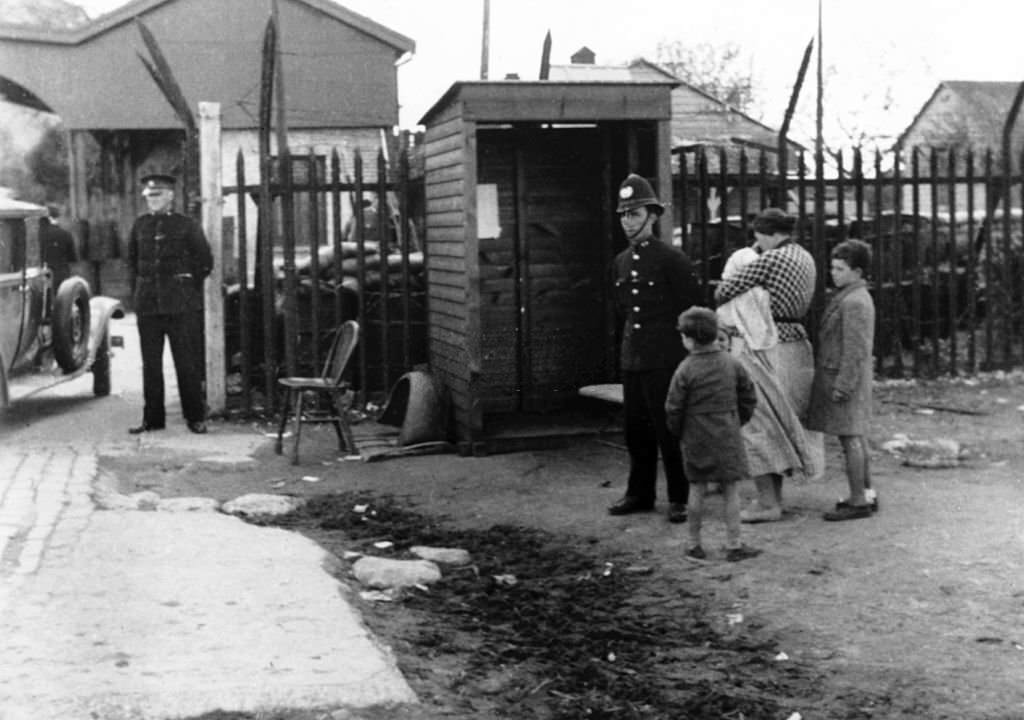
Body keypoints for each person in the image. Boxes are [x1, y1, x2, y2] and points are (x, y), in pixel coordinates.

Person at [714, 208, 818, 523]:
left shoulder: (772, 259)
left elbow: (724, 290)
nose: (756, 243)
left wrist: (749, 297)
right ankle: (774, 498)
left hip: (767, 347)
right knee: (782, 421)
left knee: (758, 421)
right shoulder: (805, 257)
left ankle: (768, 503)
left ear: (769, 233)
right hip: (797, 343)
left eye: (758, 236)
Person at [608, 173, 700, 524]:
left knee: (669, 427)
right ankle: (640, 492)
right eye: (624, 214)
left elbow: (691, 308)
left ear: (653, 216)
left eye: (634, 214)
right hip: (634, 356)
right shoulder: (620, 262)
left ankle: (679, 496)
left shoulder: (672, 260)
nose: (628, 221)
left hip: (666, 357)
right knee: (636, 428)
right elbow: (622, 310)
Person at [665, 307, 760, 562]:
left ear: (689, 340)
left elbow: (673, 407)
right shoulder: (732, 363)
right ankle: (734, 545)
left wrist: (680, 431)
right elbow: (749, 396)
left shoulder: (685, 369)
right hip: (727, 432)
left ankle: (694, 545)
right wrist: (736, 420)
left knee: (696, 488)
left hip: (696, 435)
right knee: (731, 490)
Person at [127, 173, 213, 435]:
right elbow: (132, 262)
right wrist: (139, 293)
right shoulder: (140, 225)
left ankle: (195, 417)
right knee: (150, 365)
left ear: (170, 196)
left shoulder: (186, 225)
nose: (152, 200)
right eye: (149, 196)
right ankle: (152, 419)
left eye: (158, 195)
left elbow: (205, 261)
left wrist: (186, 287)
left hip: (180, 306)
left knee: (186, 363)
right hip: (148, 306)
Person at [806, 239, 878, 521]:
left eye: (841, 268)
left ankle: (858, 499)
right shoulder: (850, 296)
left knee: (851, 439)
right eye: (833, 268)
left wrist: (844, 385)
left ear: (858, 272)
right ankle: (864, 492)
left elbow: (856, 349)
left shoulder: (855, 301)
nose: (834, 273)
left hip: (844, 378)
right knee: (855, 436)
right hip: (843, 377)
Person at [40, 204, 78, 290]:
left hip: (44, 274)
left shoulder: (39, 234)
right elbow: (72, 258)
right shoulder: (66, 234)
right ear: (58, 217)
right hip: (62, 274)